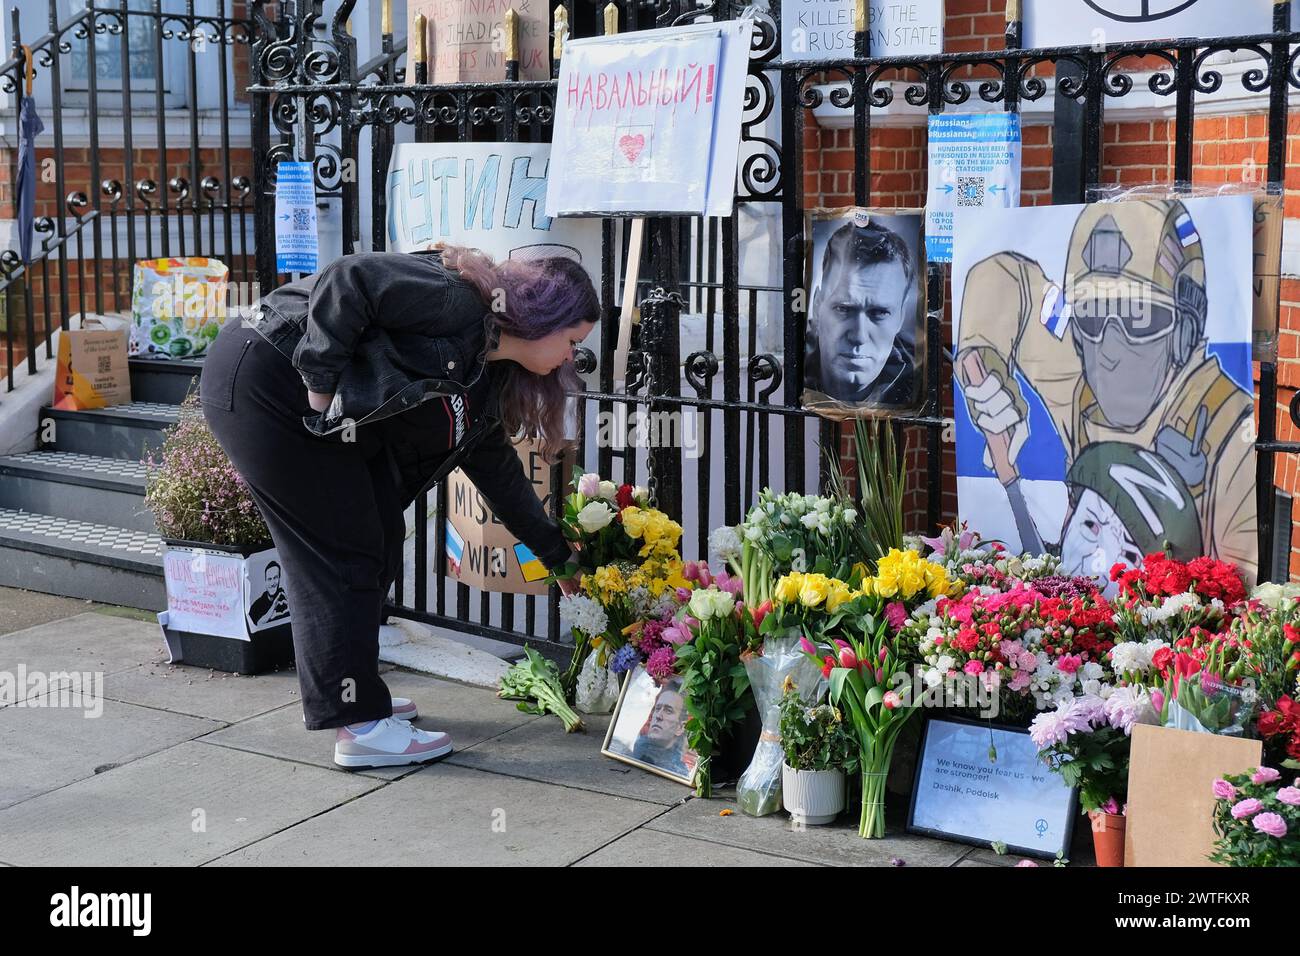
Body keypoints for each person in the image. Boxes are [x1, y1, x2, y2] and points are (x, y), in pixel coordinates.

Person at [199, 245, 595, 769]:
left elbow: (494, 468)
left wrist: (556, 554)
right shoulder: (461, 301)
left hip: (299, 398)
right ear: (545, 317)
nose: (571, 358)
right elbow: (350, 278)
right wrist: (319, 387)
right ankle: (358, 727)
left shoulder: (486, 372)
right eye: (572, 341)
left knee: (379, 537)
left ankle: (358, 697)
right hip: (268, 375)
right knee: (342, 550)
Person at [956, 200, 1256, 583]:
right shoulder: (1082, 381)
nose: (1109, 349)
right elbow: (1001, 277)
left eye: (1140, 318)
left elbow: (1239, 595)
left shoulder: (1224, 429)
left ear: (1183, 332)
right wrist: (987, 369)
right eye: (1092, 315)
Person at [804, 218, 918, 407]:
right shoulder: (789, 368)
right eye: (843, 309)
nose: (859, 336)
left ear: (901, 316)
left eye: (879, 313)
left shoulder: (916, 381)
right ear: (817, 305)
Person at [630, 679, 692, 777]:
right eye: (657, 708)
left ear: (680, 727)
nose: (658, 716)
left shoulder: (678, 771)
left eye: (668, 711)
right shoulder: (630, 751)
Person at [247, 560, 290, 628]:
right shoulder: (256, 607)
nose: (272, 583)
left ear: (279, 579)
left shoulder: (287, 599)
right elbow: (255, 626)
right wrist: (273, 607)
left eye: (275, 578)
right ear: (265, 581)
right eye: (269, 579)